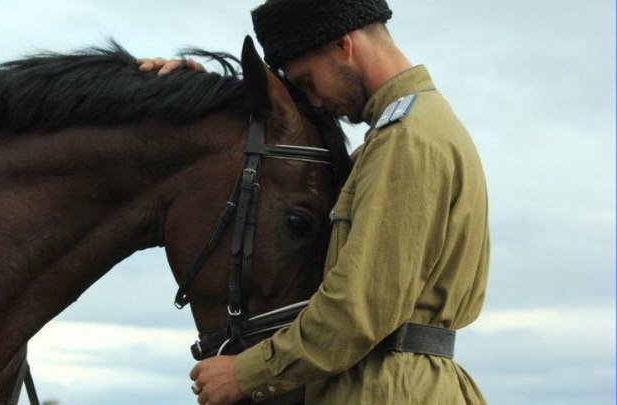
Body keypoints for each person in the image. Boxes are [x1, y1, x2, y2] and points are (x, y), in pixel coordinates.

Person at [140, 1, 490, 404]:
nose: (316, 101)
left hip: (385, 390)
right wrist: (199, 102)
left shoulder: (405, 141)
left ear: (343, 46)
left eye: (307, 81)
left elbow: (358, 309)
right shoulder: (414, 129)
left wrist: (246, 374)